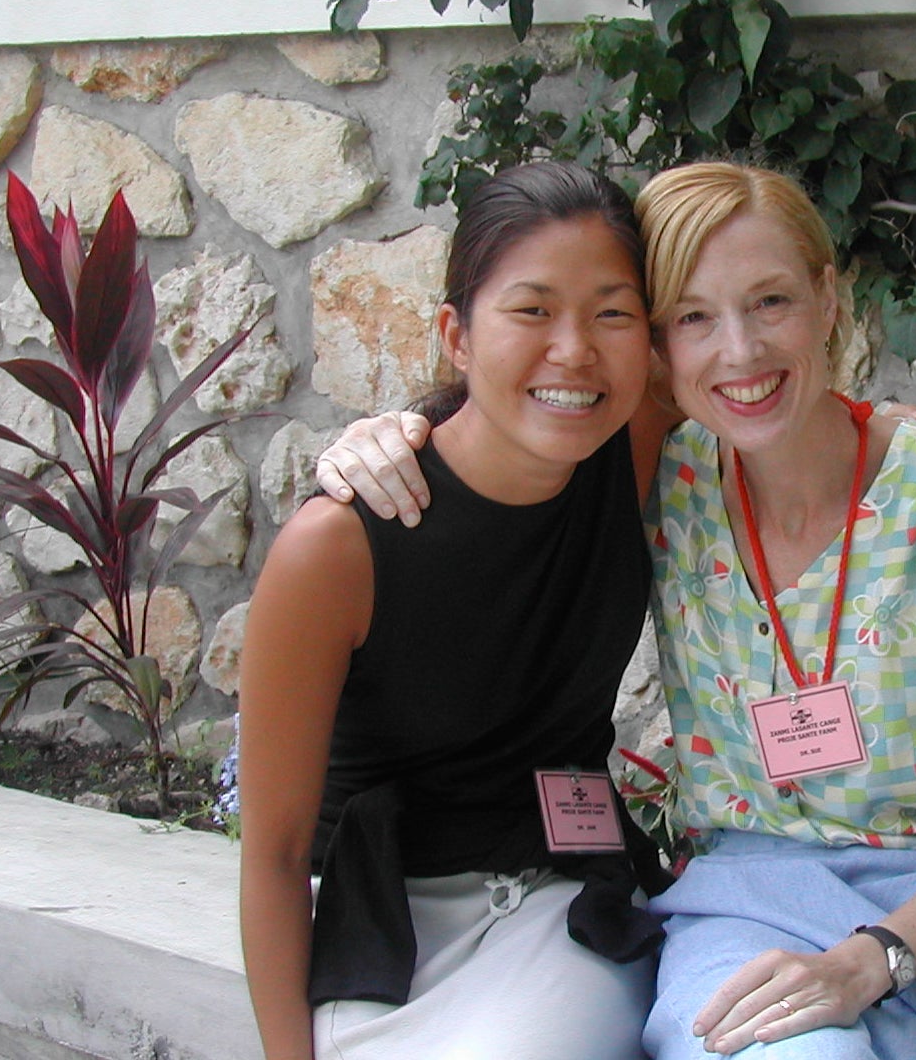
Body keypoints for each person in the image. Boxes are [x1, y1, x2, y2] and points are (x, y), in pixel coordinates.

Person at [318, 162, 916, 1059]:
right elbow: (508, 444)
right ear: (662, 348)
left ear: (830, 300)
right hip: (743, 899)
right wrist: (391, 436)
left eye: (772, 302)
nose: (740, 352)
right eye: (694, 318)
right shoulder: (671, 480)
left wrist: (866, 964)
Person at [237, 161, 670, 1060]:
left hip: (565, 906)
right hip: (382, 930)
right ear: (455, 335)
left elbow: (767, 374)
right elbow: (274, 855)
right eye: (531, 310)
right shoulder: (338, 550)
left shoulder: (631, 440)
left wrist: (890, 430)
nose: (576, 350)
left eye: (613, 313)